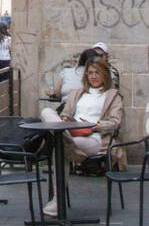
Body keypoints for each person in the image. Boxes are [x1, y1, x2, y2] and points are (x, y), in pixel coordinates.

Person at [44, 56, 124, 216]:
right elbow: (65, 115)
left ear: (105, 75)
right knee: (46, 112)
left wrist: (96, 126)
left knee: (59, 147)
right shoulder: (77, 93)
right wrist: (66, 120)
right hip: (72, 134)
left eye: (97, 73)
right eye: (89, 73)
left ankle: (57, 201)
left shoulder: (113, 95)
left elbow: (116, 122)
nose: (93, 76)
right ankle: (64, 135)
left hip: (94, 139)